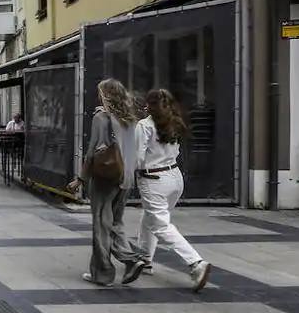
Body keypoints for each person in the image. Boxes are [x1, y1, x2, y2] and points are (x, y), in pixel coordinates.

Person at [128, 89, 212, 291]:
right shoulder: (174, 121)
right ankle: (145, 260)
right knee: (151, 218)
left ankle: (196, 263)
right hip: (174, 177)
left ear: (149, 106)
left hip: (153, 178)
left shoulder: (144, 125)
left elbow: (138, 159)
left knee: (161, 225)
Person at [71, 79, 143, 287]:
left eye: (100, 92)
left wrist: (81, 178)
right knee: (115, 222)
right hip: (127, 177)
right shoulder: (131, 118)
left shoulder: (101, 118)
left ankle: (104, 273)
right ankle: (129, 261)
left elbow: (93, 151)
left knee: (101, 225)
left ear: (106, 95)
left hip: (107, 177)